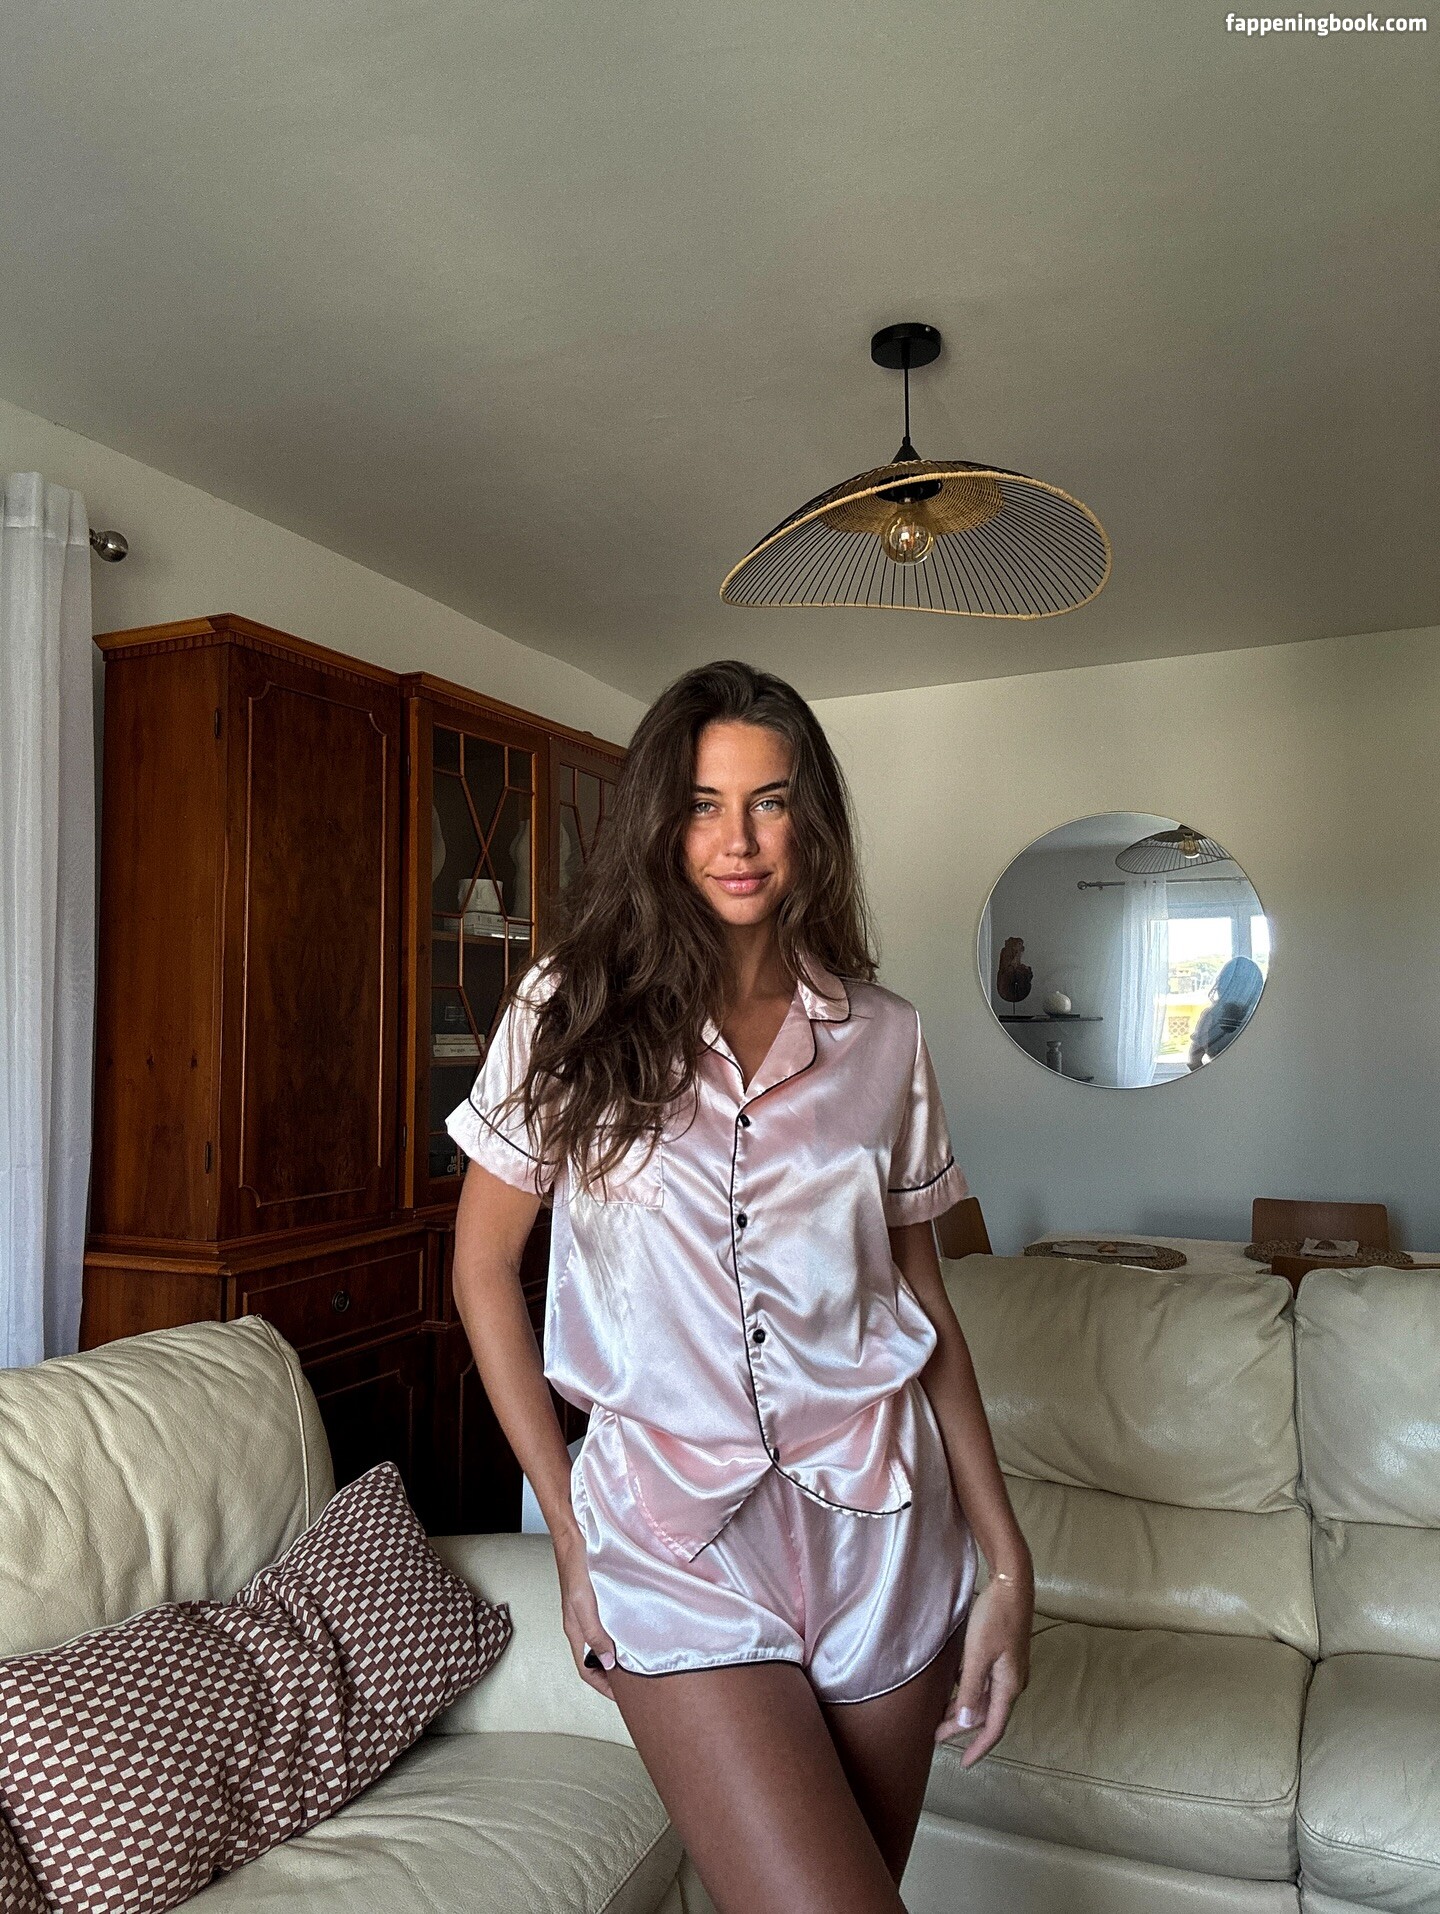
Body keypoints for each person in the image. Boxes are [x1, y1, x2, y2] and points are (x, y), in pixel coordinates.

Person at [447, 661, 1033, 1914]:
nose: (739, 841)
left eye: (769, 803)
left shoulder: (885, 1036)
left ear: (809, 822)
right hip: (668, 1542)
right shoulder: (566, 1010)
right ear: (661, 822)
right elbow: (483, 1268)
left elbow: (923, 1312)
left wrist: (1007, 1562)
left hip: (884, 1533)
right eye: (704, 805)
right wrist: (569, 1532)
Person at [1187, 954, 1265, 1070]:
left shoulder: (1210, 1016)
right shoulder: (1261, 1017)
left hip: (1221, 1079)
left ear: (1222, 983)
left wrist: (1214, 1077)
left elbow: (1194, 1061)